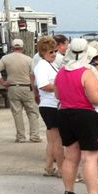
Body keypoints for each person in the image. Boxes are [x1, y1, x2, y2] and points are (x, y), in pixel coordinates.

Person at [54, 38, 98, 194]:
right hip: (87, 115)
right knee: (90, 157)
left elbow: (57, 95)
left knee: (70, 156)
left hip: (65, 114)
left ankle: (69, 190)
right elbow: (96, 99)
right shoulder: (87, 73)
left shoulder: (61, 72)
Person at [0, 37, 42, 142]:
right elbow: (34, 74)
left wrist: (2, 82)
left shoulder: (5, 58)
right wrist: (35, 89)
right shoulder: (29, 59)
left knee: (17, 113)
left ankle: (20, 137)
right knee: (32, 112)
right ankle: (34, 136)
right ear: (22, 48)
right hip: (27, 88)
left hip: (12, 88)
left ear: (12, 48)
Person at [32, 36, 63, 178]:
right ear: (43, 53)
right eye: (51, 52)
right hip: (50, 105)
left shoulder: (50, 64)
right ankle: (62, 169)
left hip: (50, 104)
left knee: (52, 139)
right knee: (57, 140)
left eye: (55, 51)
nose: (54, 54)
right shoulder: (42, 66)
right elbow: (43, 85)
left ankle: (49, 167)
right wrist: (62, 88)